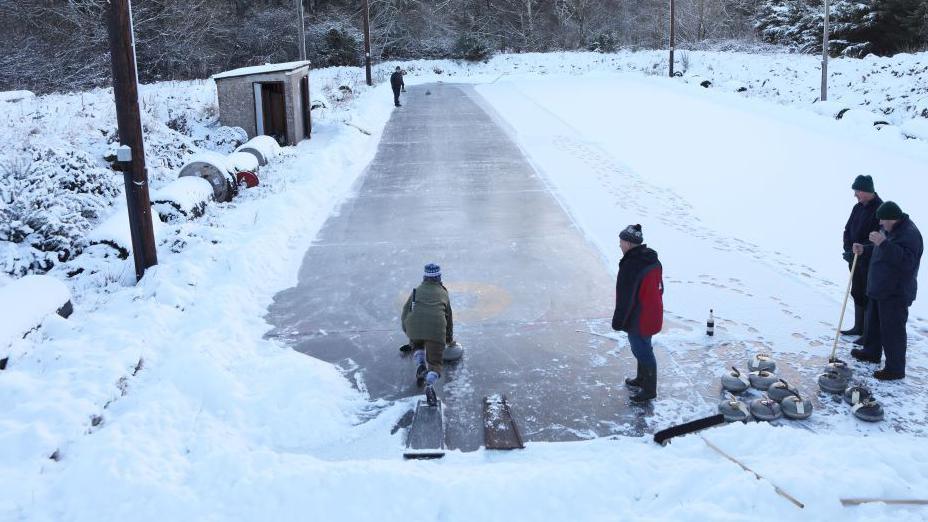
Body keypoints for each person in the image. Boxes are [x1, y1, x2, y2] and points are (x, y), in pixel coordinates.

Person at [851, 201, 923, 380]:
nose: (881, 224)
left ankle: (895, 369)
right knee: (873, 324)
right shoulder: (890, 230)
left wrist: (884, 244)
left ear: (893, 218)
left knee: (893, 331)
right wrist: (865, 250)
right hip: (879, 287)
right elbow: (880, 251)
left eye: (883, 220)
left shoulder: (910, 234)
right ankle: (871, 353)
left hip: (895, 292)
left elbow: (908, 262)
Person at [611, 224, 664, 402]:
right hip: (653, 311)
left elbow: (626, 298)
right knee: (644, 347)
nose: (619, 245)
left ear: (628, 243)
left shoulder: (631, 265)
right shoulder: (651, 259)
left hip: (640, 317)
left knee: (641, 350)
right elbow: (660, 287)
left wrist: (618, 321)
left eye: (621, 242)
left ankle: (649, 390)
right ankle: (642, 379)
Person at [401, 263, 454, 405]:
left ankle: (420, 365)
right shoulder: (443, 292)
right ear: (439, 277)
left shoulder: (416, 291)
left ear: (425, 277)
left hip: (414, 328)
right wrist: (448, 340)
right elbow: (448, 319)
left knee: (418, 344)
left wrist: (409, 333)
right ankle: (430, 384)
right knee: (435, 363)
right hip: (435, 331)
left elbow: (405, 313)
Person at [841, 175, 883, 344]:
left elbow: (879, 237)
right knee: (857, 291)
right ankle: (858, 327)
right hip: (855, 258)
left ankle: (867, 333)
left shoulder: (880, 209)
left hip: (869, 261)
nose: (855, 195)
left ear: (866, 191)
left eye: (857, 191)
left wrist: (861, 250)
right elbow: (847, 229)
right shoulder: (857, 207)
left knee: (867, 295)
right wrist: (847, 249)